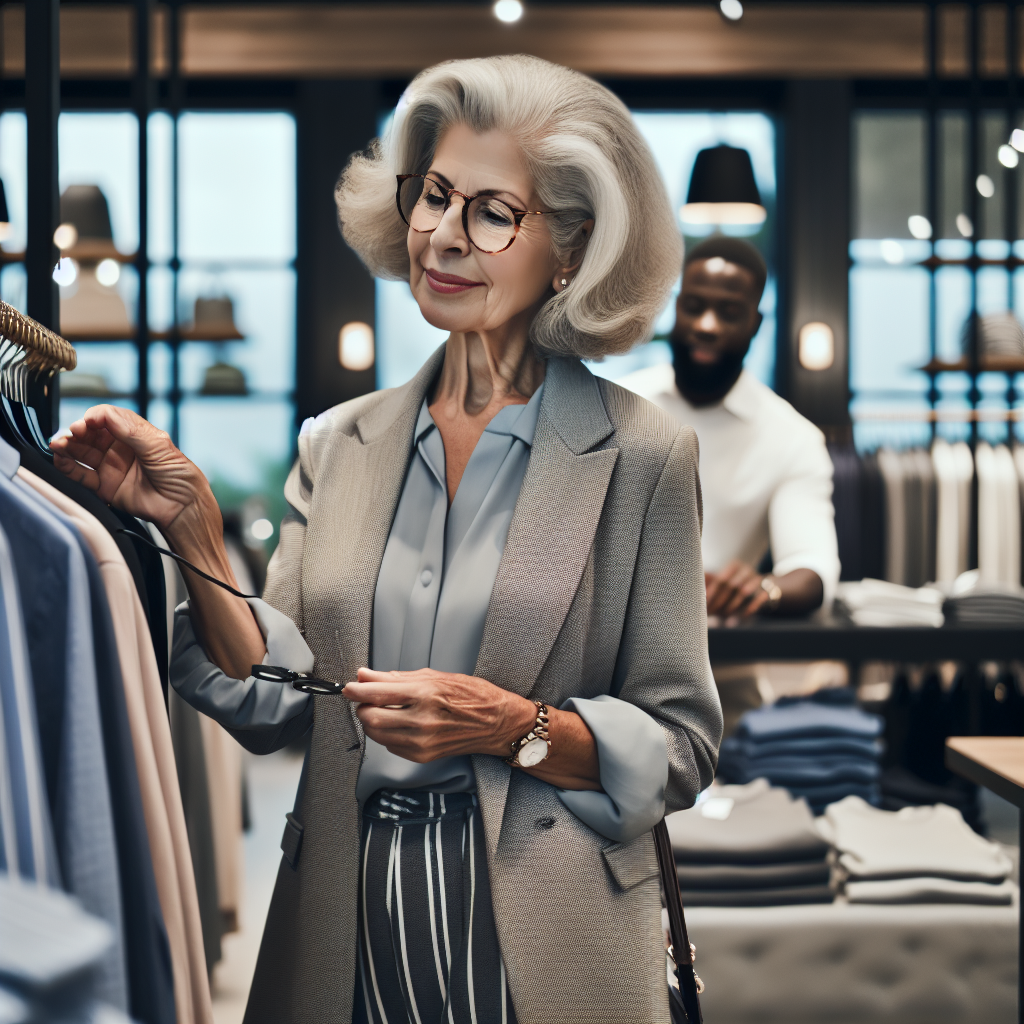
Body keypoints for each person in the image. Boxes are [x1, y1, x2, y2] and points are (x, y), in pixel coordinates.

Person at [53, 55, 722, 1024]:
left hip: (545, 921)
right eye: (434, 195)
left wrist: (510, 726)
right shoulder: (338, 442)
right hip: (344, 898)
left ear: (571, 248)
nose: (443, 236)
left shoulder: (644, 454)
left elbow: (681, 744)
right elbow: (274, 698)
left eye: (493, 211)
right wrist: (193, 521)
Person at [620, 238, 840, 729]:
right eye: (694, 307)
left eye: (729, 312)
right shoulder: (618, 406)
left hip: (725, 694)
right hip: (603, 682)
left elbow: (813, 573)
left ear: (756, 325)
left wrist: (763, 589)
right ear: (676, 307)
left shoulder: (791, 438)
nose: (706, 325)